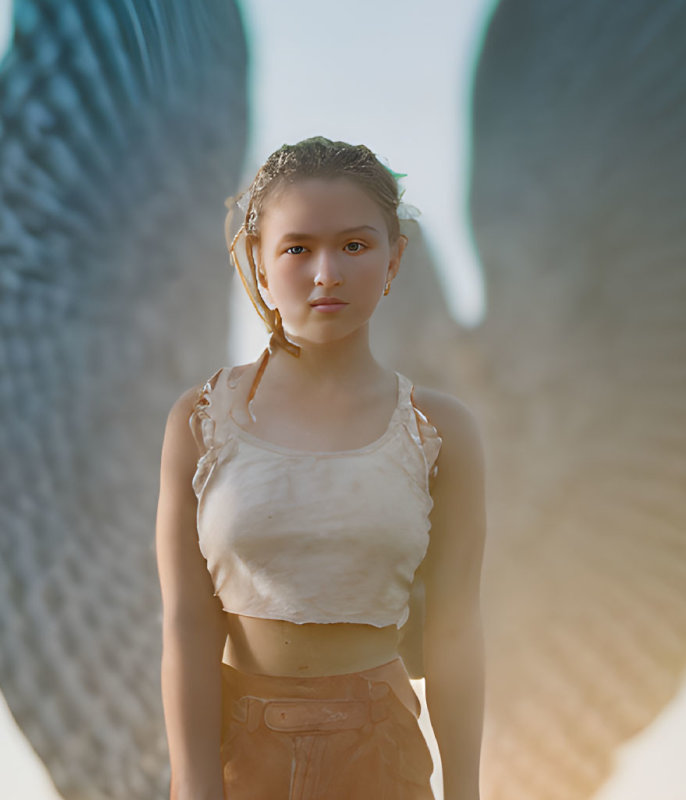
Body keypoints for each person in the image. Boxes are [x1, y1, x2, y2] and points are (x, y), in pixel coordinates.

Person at [156, 135, 486, 800]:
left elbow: (455, 628)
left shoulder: (441, 430)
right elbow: (188, 623)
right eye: (298, 247)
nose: (326, 271)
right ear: (257, 259)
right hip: (240, 755)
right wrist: (195, 786)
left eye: (355, 246)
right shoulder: (199, 419)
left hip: (382, 756)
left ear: (394, 261)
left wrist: (466, 794)